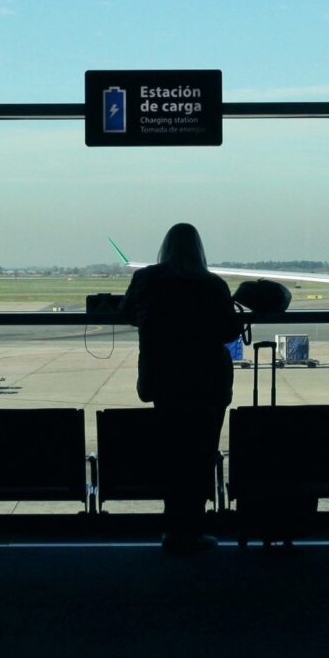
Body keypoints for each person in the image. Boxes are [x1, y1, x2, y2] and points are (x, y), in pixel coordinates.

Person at [121, 223, 243, 555]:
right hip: (207, 382)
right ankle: (193, 531)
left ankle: (172, 531)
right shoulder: (212, 284)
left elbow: (127, 313)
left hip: (165, 380)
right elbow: (228, 332)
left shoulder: (146, 279)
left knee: (172, 456)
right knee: (200, 457)